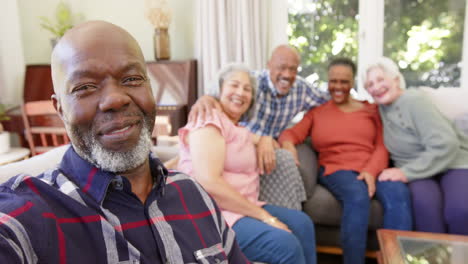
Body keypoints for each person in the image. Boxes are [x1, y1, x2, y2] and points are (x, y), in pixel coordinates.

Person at [0, 21, 248, 263]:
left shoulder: (193, 194)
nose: (115, 99)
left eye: (131, 79)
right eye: (85, 86)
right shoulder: (29, 215)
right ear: (60, 108)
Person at [177, 63, 317, 264]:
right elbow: (209, 184)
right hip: (212, 215)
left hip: (242, 207)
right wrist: (266, 217)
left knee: (302, 223)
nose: (240, 93)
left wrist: (265, 139)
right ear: (219, 90)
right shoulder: (208, 121)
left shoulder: (237, 127)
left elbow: (258, 140)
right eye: (234, 85)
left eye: (247, 89)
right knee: (285, 244)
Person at [279, 58, 412, 264]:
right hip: (336, 169)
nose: (338, 87)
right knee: (358, 196)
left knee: (399, 193)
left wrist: (370, 170)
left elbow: (381, 145)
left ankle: (396, 261)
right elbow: (291, 134)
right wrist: (288, 146)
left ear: (353, 82)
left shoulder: (371, 110)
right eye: (334, 81)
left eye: (344, 82)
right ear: (328, 81)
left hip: (373, 169)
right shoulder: (317, 113)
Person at [189, 45, 329, 210]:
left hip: (269, 148)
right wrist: (204, 98)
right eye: (282, 67)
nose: (287, 74)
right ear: (269, 64)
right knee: (282, 160)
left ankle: (285, 212)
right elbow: (219, 97)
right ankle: (267, 214)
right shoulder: (250, 83)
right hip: (240, 144)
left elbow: (330, 101)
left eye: (293, 69)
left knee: (284, 160)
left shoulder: (301, 89)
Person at [364, 57, 468, 235]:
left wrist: (405, 173)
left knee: (460, 211)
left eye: (381, 79)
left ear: (396, 79)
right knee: (425, 212)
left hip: (453, 163)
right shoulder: (379, 109)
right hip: (419, 173)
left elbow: (446, 144)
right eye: (370, 84)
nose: (375, 87)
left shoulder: (414, 101)